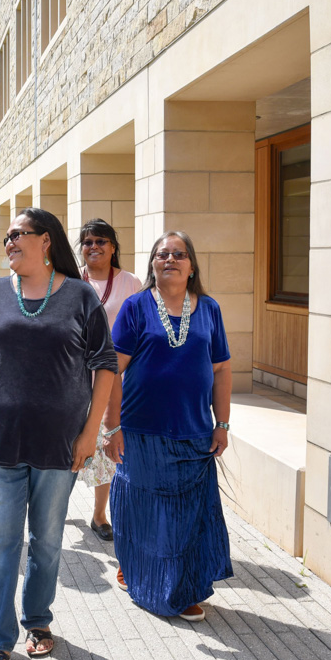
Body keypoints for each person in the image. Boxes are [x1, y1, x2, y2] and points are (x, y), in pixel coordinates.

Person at [0, 208, 117, 660]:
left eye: (16, 235)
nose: (8, 242)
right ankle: (0, 639)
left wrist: (91, 432)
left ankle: (39, 621)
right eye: (6, 237)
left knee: (46, 541)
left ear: (45, 241)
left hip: (59, 443)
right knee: (3, 539)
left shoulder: (79, 295)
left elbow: (105, 364)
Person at [104, 231, 233, 623]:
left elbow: (222, 368)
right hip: (141, 431)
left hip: (194, 431)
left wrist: (222, 423)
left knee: (187, 515)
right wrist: (112, 428)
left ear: (192, 266)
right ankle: (136, 568)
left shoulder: (209, 309)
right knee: (142, 509)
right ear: (152, 264)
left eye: (179, 254)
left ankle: (183, 588)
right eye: (162, 254)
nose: (171, 259)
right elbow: (112, 371)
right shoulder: (136, 307)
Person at [76, 219, 142, 542]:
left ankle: (100, 514)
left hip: (118, 379)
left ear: (113, 247)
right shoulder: (72, 282)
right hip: (75, 377)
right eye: (88, 242)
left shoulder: (130, 283)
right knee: (70, 442)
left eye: (101, 241)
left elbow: (143, 329)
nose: (94, 247)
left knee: (106, 443)